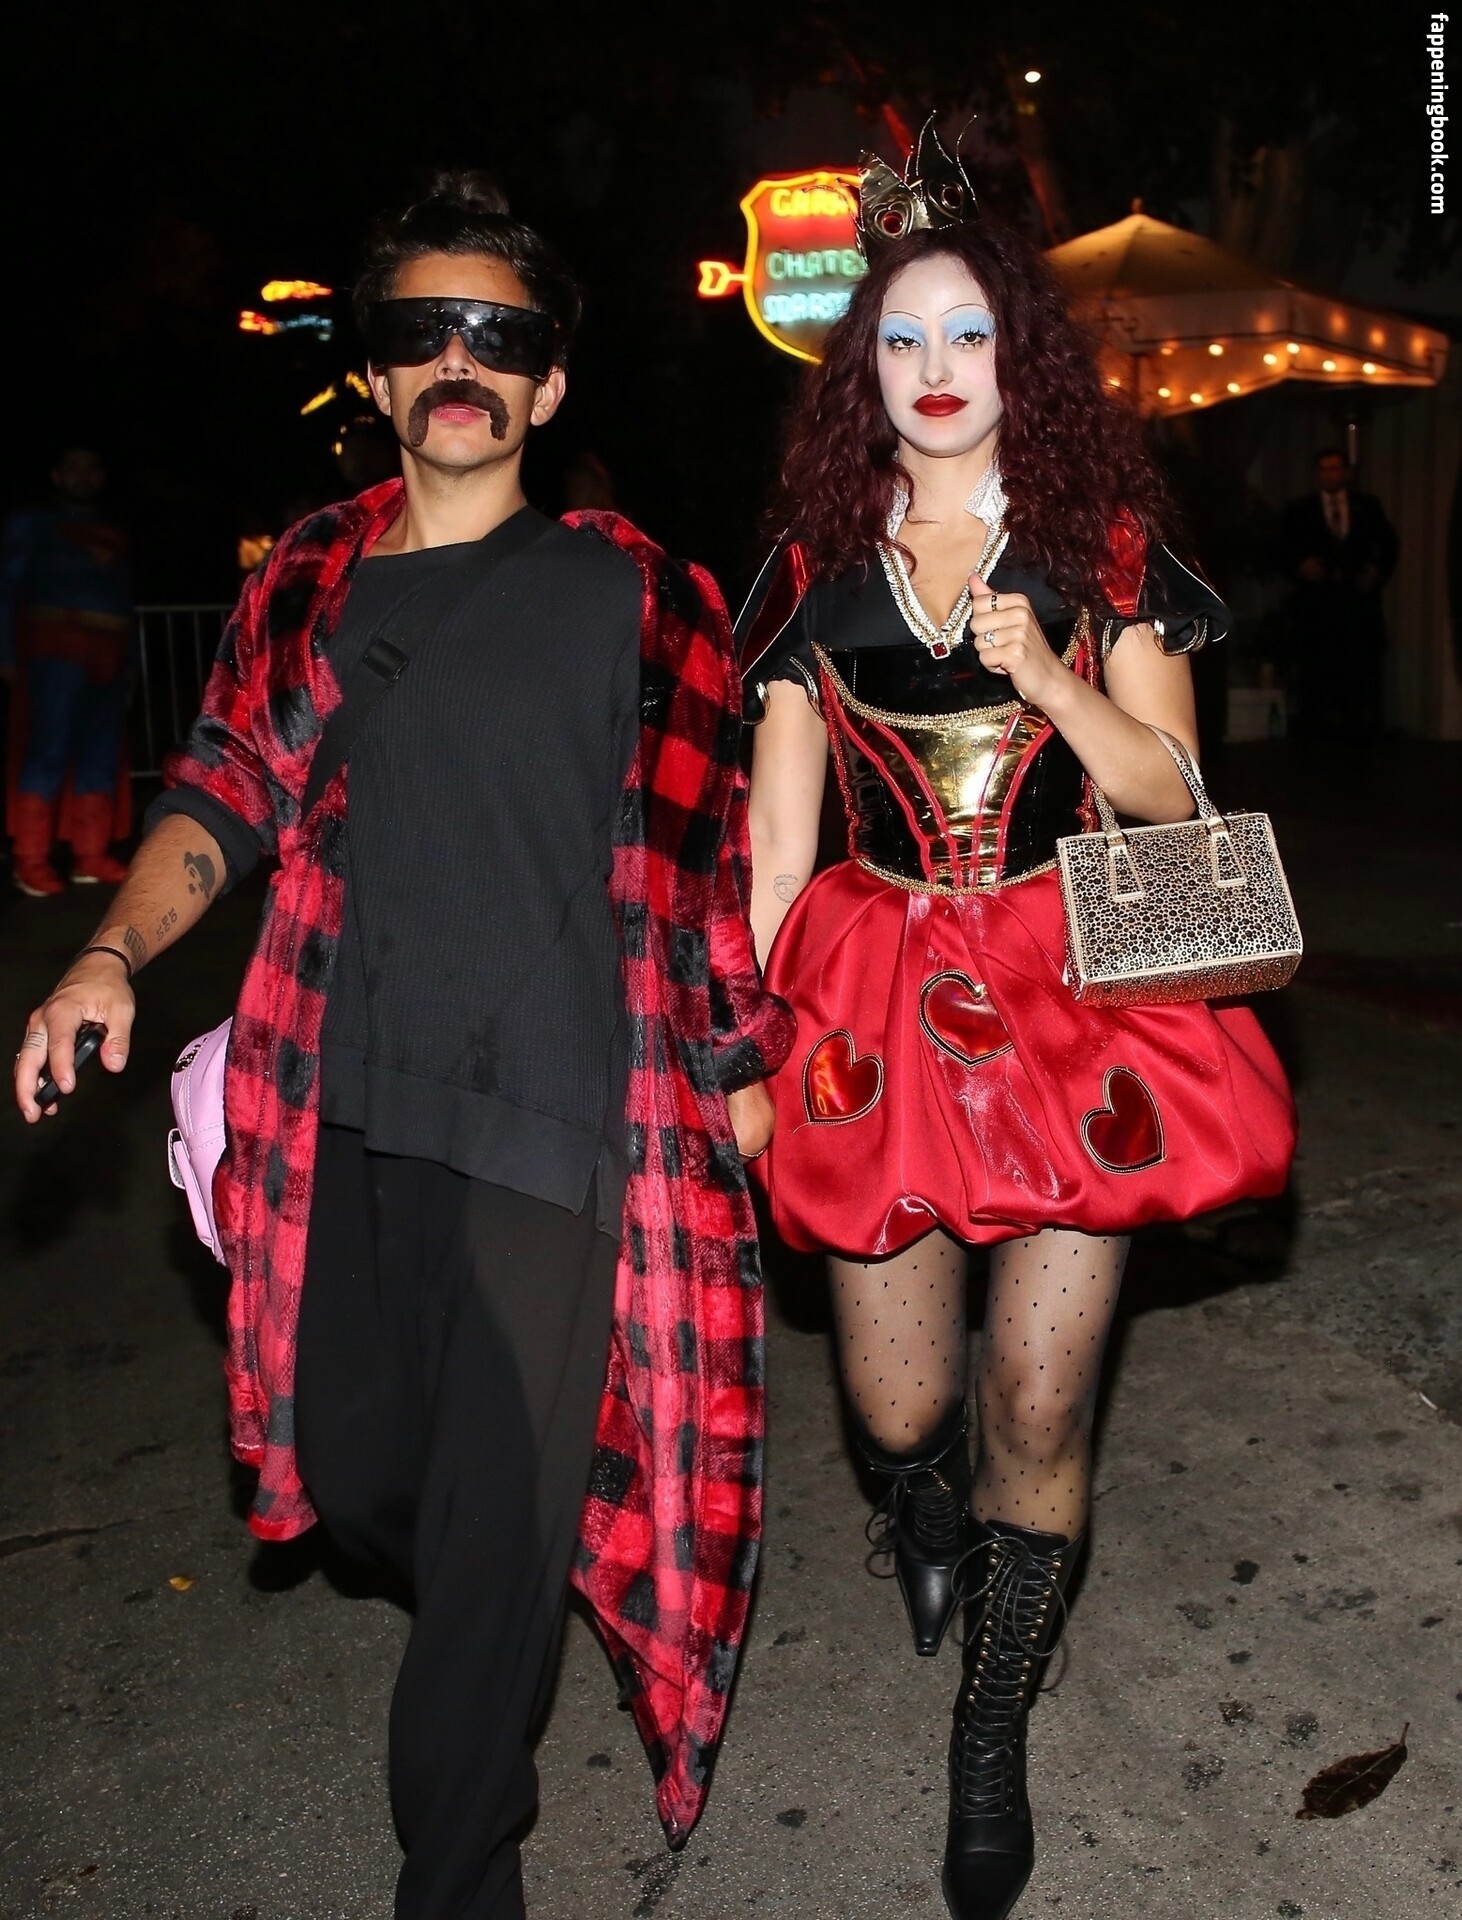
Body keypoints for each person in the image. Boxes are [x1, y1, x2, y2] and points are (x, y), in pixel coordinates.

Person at [15, 171, 790, 1920]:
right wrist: (108, 954)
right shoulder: (309, 576)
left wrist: (737, 1064)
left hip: (563, 1124)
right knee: (365, 1478)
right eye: (424, 330)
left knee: (493, 1535)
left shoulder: (636, 595)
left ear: (549, 382)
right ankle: (466, 1567)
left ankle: (458, 1878)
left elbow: (704, 857)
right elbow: (224, 784)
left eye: (499, 336)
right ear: (372, 372)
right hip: (341, 1106)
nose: (462, 360)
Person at [739, 128, 1296, 1920]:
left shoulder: (1100, 549)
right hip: (873, 1012)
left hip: (1073, 1010)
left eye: (967, 334)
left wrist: (1050, 671)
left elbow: (1173, 796)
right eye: (901, 339)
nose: (934, 369)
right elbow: (776, 853)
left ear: (1017, 358)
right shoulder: (811, 566)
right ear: (862, 366)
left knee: (1035, 1402)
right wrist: (750, 1059)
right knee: (899, 1402)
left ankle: (989, 1732)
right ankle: (917, 1503)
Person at [1, 445, 134, 895]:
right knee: (47, 749)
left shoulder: (114, 528)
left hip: (108, 653)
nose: (83, 476)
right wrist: (6, 653)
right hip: (55, 650)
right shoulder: (32, 523)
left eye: (91, 467)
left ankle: (90, 853)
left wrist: (130, 662)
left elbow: (125, 599)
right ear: (57, 475)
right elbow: (8, 587)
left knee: (100, 753)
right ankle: (30, 858)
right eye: (73, 467)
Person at [1278, 446, 1399, 739]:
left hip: (1357, 602)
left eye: (1334, 469)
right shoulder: (1300, 510)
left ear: (1345, 473)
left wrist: (1376, 572)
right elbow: (1280, 549)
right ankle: (1315, 734)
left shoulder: (1366, 506)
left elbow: (1389, 544)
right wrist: (1300, 567)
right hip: (1316, 605)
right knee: (1315, 673)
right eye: (1324, 469)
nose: (1329, 475)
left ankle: (1357, 731)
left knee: (1358, 671)